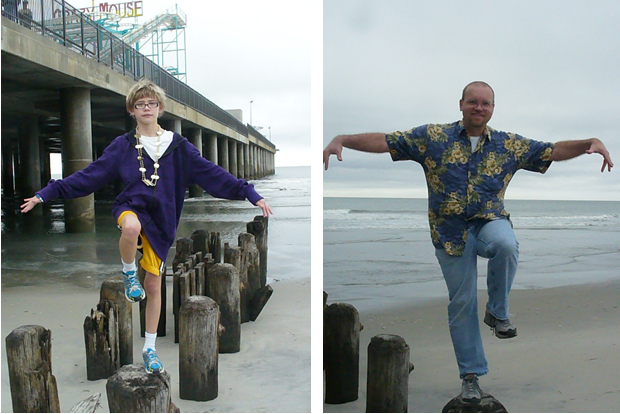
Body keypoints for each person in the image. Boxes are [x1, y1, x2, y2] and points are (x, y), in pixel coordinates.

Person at [323, 81, 613, 404]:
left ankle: (498, 312)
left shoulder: (508, 145)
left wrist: (590, 142)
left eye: (485, 103)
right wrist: (343, 140)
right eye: (472, 102)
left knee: (506, 245)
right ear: (460, 104)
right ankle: (470, 378)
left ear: (492, 109)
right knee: (461, 304)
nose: (479, 108)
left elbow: (552, 151)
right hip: (449, 234)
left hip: (490, 222)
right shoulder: (432, 138)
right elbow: (387, 141)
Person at [21, 79, 273, 375]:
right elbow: (89, 176)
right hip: (130, 206)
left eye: (151, 103)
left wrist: (249, 192)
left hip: (163, 220)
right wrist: (46, 193)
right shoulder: (122, 146)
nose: (146, 108)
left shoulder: (179, 148)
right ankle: (129, 274)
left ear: (160, 108)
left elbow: (212, 174)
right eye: (139, 104)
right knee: (130, 228)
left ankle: (150, 348)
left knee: (154, 286)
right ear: (132, 110)